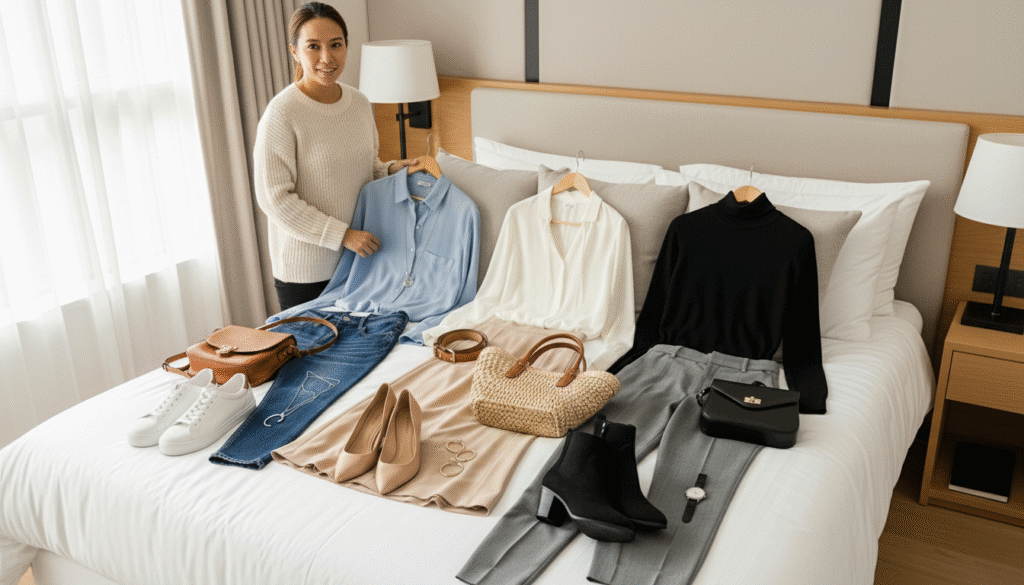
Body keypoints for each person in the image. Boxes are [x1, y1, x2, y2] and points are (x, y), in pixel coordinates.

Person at [254, 2, 414, 311]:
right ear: (294, 51)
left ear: (346, 47)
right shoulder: (282, 113)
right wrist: (343, 235)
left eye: (336, 45)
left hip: (360, 265)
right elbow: (275, 200)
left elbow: (365, 170)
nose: (327, 58)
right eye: (313, 46)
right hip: (307, 276)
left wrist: (394, 169)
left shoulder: (358, 103)